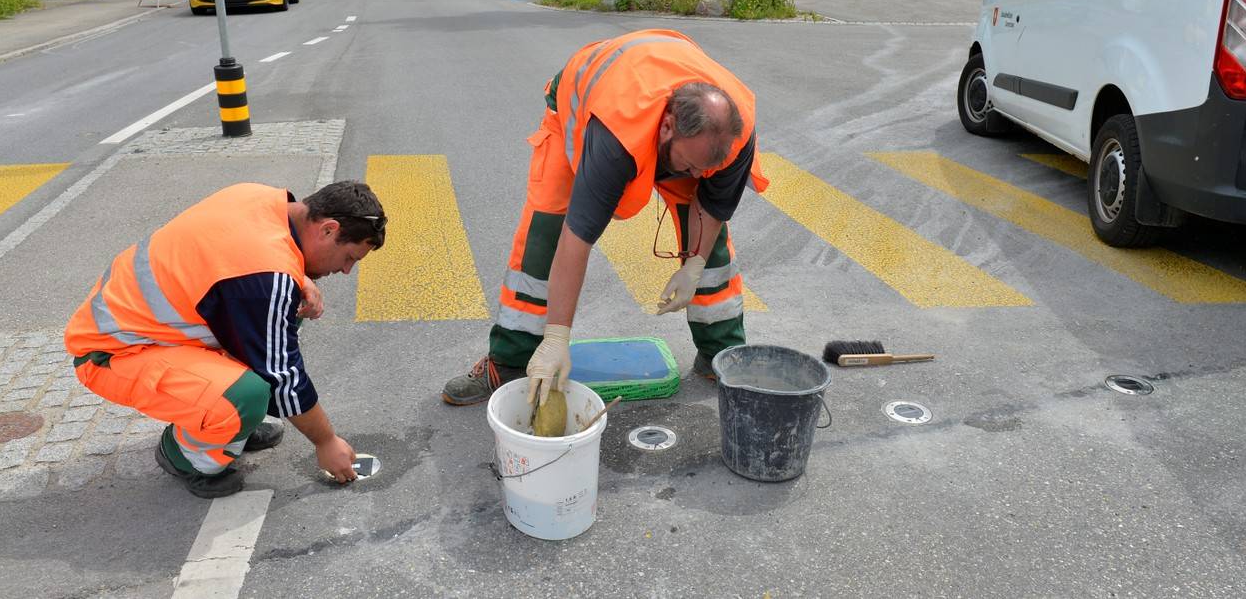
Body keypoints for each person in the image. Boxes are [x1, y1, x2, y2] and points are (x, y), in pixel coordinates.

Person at [443, 29, 767, 407]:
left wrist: (694, 266)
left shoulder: (733, 135)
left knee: (711, 251)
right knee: (544, 236)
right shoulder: (614, 137)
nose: (695, 177)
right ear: (667, 128)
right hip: (583, 114)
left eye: (704, 168)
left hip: (664, 104)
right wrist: (557, 338)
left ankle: (720, 354)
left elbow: (711, 207)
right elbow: (576, 238)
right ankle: (512, 359)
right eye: (690, 165)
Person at [63, 181, 386, 498]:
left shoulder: (259, 197)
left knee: (283, 306)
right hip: (113, 353)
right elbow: (283, 375)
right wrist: (326, 442)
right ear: (328, 229)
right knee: (244, 394)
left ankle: (230, 425)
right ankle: (185, 455)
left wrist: (297, 276)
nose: (345, 271)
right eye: (349, 258)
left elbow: (234, 252)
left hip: (151, 328)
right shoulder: (265, 277)